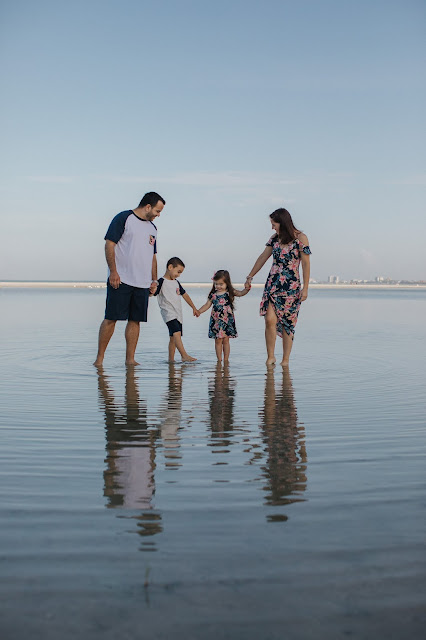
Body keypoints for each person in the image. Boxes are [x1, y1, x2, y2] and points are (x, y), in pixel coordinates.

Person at [93, 192, 165, 366]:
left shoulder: (152, 228)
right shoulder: (124, 218)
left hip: (142, 283)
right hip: (121, 279)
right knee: (111, 318)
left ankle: (130, 359)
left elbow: (152, 256)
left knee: (135, 321)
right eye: (157, 210)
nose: (158, 215)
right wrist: (113, 272)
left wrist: (154, 280)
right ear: (147, 206)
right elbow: (109, 244)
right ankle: (99, 359)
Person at [244, 208, 311, 367]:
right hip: (273, 285)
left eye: (274, 224)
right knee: (269, 320)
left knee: (288, 324)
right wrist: (250, 276)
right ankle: (271, 357)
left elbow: (306, 264)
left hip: (291, 287)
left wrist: (306, 288)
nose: (272, 227)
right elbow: (263, 257)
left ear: (283, 222)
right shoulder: (274, 239)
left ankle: (285, 360)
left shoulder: (301, 238)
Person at [198, 269, 250, 363]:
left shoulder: (229, 292)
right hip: (217, 321)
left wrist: (247, 289)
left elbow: (241, 293)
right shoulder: (213, 295)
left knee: (226, 340)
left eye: (221, 284)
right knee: (218, 340)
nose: (218, 286)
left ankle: (226, 360)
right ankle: (219, 360)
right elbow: (207, 305)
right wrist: (199, 311)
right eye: (216, 284)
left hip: (227, 320)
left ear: (227, 283)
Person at [154, 257, 200, 362]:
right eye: (178, 271)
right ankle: (184, 355)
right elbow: (152, 293)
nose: (178, 275)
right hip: (168, 313)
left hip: (178, 314)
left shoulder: (176, 282)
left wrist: (194, 308)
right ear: (170, 267)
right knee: (177, 333)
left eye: (180, 273)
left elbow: (185, 295)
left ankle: (171, 360)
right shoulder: (161, 282)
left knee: (173, 339)